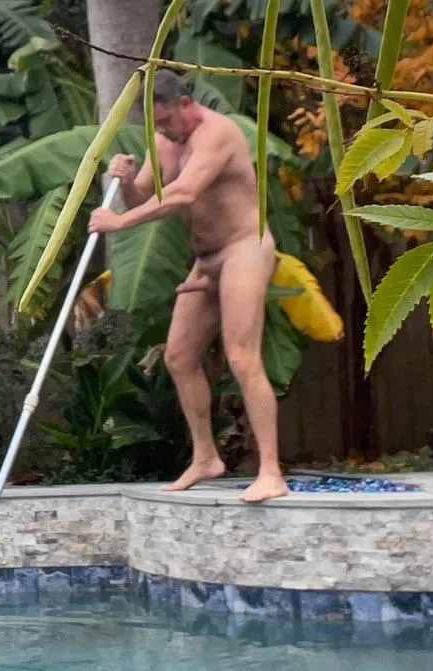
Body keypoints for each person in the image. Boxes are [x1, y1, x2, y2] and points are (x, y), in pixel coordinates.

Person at [88, 70, 289, 503]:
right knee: (179, 356)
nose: (161, 131)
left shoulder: (218, 134)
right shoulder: (165, 140)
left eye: (165, 122)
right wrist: (123, 182)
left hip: (243, 249)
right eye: (155, 126)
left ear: (184, 105)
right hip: (206, 260)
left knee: (242, 356)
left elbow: (182, 194)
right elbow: (146, 195)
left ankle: (271, 470)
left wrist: (119, 224)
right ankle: (205, 458)